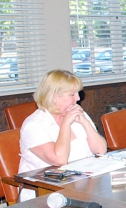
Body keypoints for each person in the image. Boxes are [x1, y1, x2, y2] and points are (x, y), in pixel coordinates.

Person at [18, 70, 107, 201]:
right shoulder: (34, 125)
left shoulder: (76, 112)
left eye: (78, 93)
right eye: (72, 94)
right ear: (54, 96)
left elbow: (101, 150)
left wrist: (85, 122)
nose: (78, 98)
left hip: (82, 185)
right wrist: (65, 124)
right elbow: (59, 160)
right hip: (44, 193)